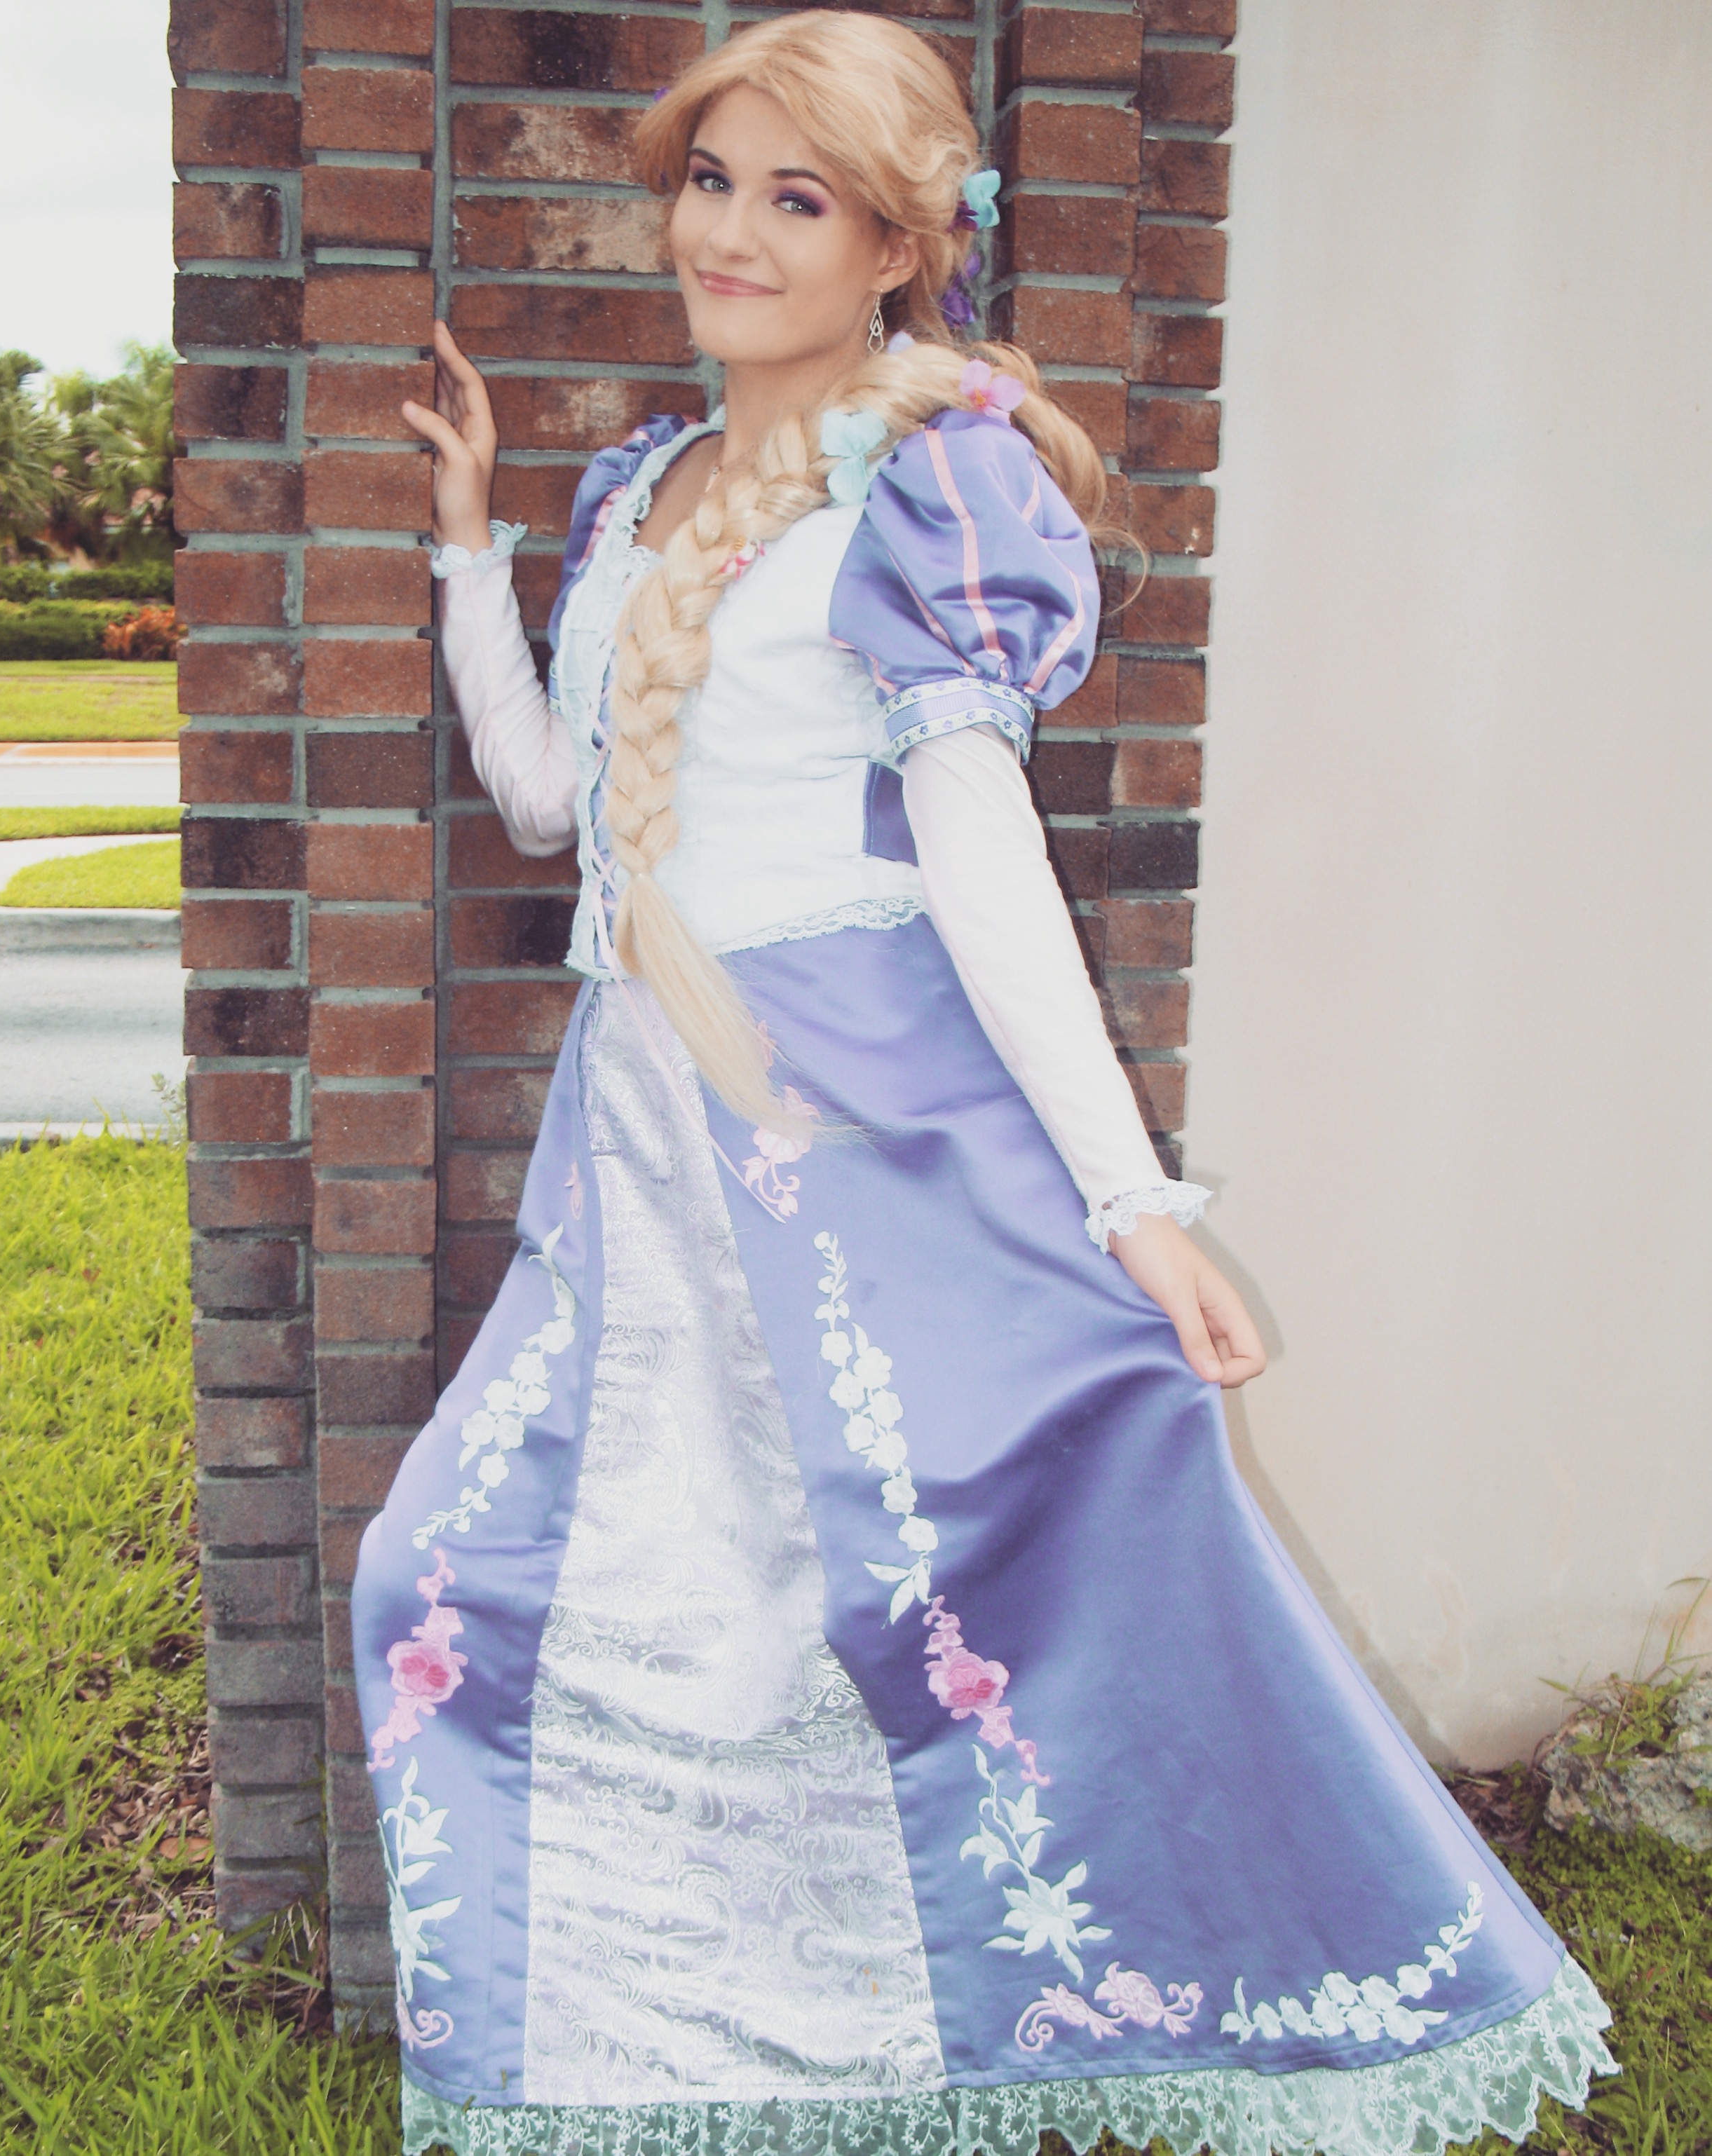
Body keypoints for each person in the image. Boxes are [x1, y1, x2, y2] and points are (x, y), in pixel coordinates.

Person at [352, 15, 1615, 2155]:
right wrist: (474, 550)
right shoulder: (635, 493)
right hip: (634, 1146)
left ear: (897, 248)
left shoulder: (935, 479)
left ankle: (1076, 1994)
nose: (730, 231)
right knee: (492, 1590)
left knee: (898, 1585)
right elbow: (555, 808)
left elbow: (983, 855)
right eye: (711, 179)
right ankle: (704, 2047)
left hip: (852, 1124)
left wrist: (1135, 1203)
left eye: (798, 197)